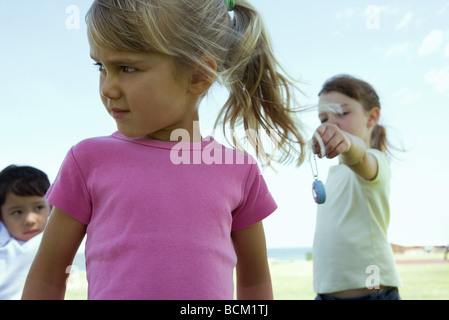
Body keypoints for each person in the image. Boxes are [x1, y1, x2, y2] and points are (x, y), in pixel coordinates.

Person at [22, 0, 306, 300]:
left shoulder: (238, 170)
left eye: (127, 67)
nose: (107, 87)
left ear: (198, 76)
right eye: (101, 67)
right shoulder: (87, 161)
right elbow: (49, 277)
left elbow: (254, 284)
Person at [312, 74, 402, 300]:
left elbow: (358, 155)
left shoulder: (374, 161)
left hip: (373, 293)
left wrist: (349, 143)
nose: (330, 123)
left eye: (342, 113)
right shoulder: (333, 174)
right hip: (326, 295)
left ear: (372, 118)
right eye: (323, 118)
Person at [0, 165, 51, 300]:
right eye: (17, 212)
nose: (30, 220)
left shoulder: (53, 239)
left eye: (38, 207)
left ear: (51, 207)